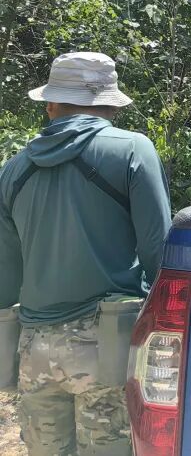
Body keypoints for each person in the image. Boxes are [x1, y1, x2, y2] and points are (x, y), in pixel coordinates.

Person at [0, 52, 172, 456]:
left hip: (34, 348)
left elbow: (6, 273)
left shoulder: (13, 169)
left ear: (50, 105)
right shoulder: (132, 150)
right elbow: (159, 252)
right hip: (108, 344)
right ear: (111, 104)